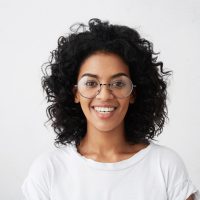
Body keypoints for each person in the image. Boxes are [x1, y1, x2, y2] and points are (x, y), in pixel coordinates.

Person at [21, 18, 200, 200]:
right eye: (91, 83)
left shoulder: (165, 166)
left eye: (118, 83)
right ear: (75, 93)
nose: (105, 95)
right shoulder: (48, 170)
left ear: (133, 93)